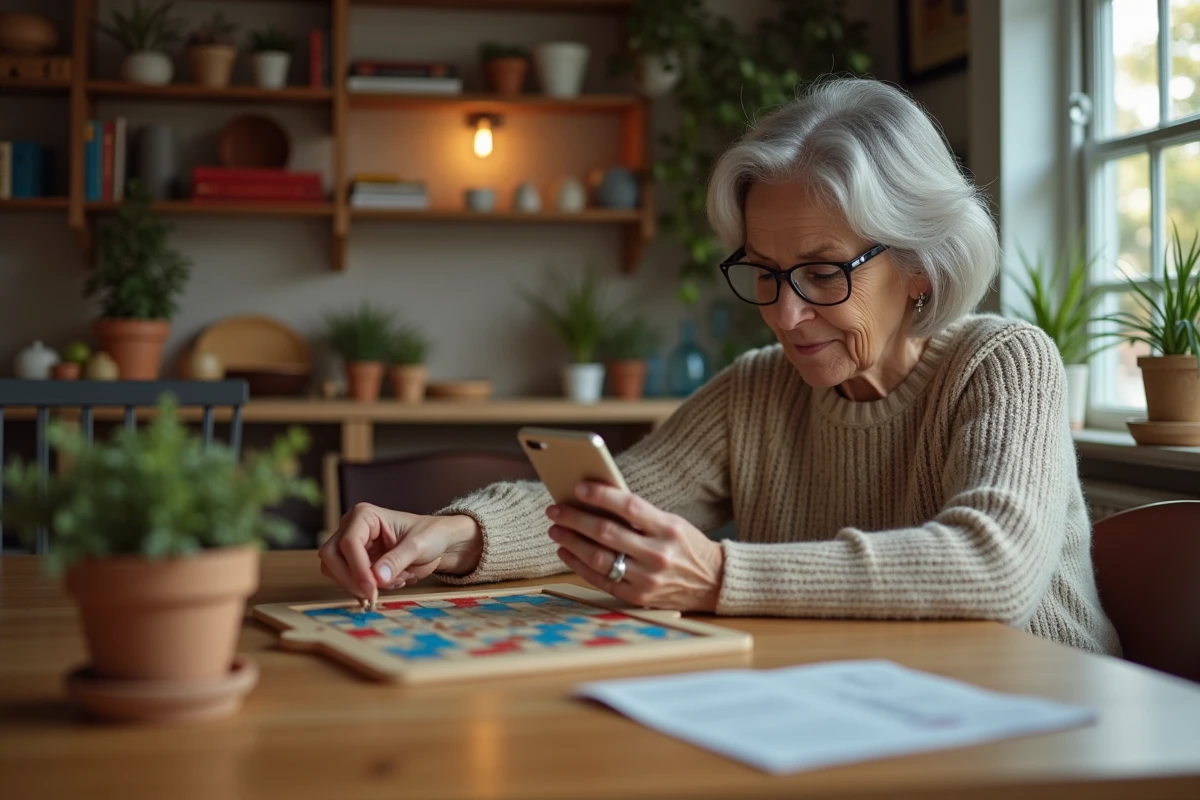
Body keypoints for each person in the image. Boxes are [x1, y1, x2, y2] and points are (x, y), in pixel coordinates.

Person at [319, 76, 1120, 656]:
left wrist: (715, 576)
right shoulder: (759, 386)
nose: (784, 313)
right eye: (765, 272)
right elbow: (615, 506)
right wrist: (453, 535)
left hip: (1044, 715)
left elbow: (992, 566)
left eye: (821, 271)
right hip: (864, 705)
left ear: (921, 265)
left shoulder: (1005, 362)